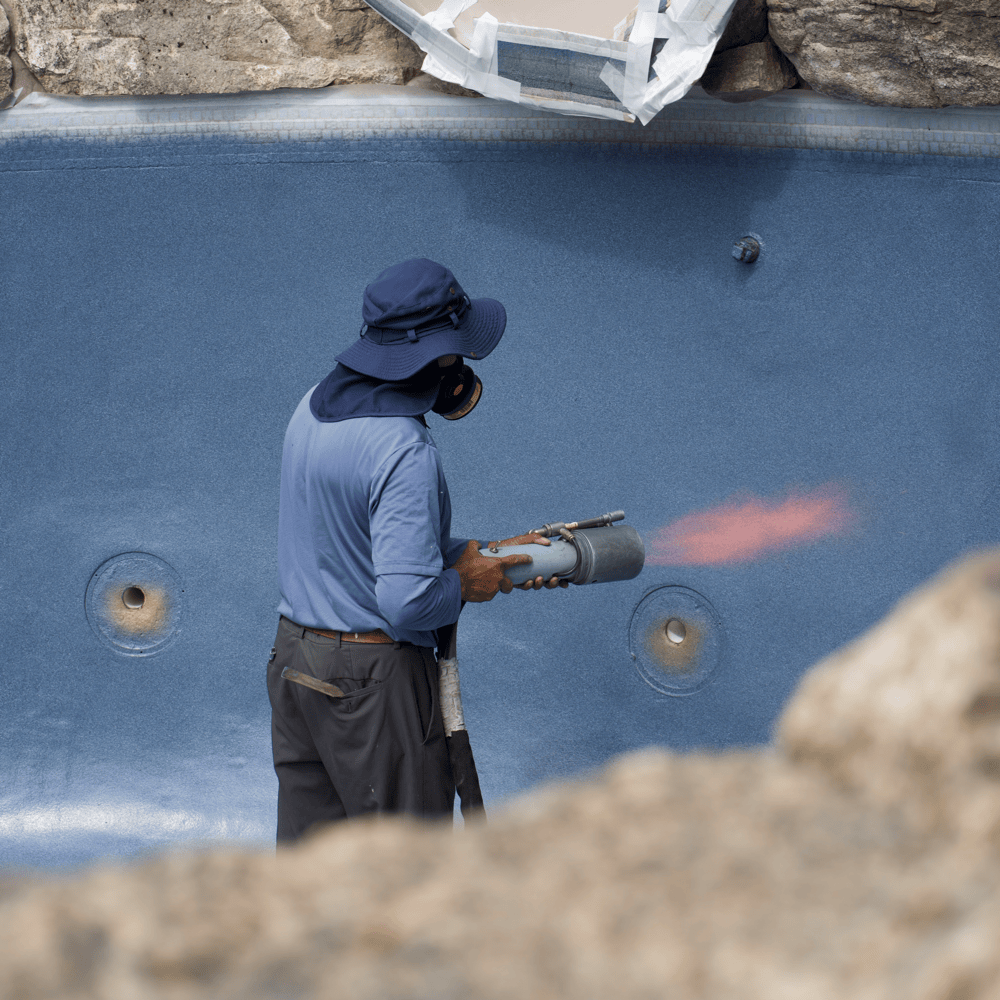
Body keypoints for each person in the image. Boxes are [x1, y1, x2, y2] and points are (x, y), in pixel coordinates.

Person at [267, 257, 567, 844]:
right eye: (457, 350)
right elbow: (406, 601)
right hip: (371, 688)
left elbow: (353, 539)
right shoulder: (403, 450)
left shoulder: (312, 407)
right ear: (437, 357)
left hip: (295, 667)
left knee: (309, 881)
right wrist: (465, 583)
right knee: (408, 882)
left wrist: (487, 554)